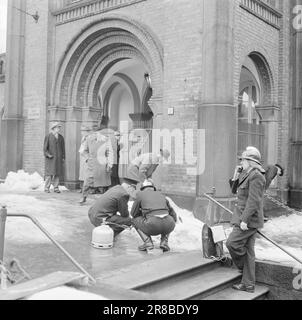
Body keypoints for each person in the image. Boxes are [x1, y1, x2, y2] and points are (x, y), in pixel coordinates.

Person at [226, 146, 266, 293]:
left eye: (243, 159)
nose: (241, 162)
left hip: (248, 220)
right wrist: (235, 174)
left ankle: (242, 268)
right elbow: (233, 190)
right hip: (244, 217)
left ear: (250, 161)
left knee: (232, 243)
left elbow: (254, 201)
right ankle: (248, 284)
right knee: (249, 251)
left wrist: (244, 220)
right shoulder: (245, 173)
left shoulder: (257, 176)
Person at [131, 179, 177, 252]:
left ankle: (148, 242)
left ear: (142, 188)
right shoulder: (161, 194)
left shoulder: (140, 194)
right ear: (153, 188)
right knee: (168, 219)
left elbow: (133, 214)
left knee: (133, 220)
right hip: (169, 224)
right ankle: (164, 242)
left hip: (153, 224)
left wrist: (143, 213)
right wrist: (173, 221)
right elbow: (173, 213)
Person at [79, 122, 113, 204]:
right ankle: (83, 197)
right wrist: (88, 158)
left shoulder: (106, 139)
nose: (95, 134)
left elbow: (110, 152)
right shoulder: (88, 139)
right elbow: (83, 150)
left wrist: (109, 164)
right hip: (92, 164)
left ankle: (106, 200)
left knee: (104, 183)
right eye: (94, 132)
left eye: (97, 132)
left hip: (102, 164)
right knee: (87, 181)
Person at [43, 122, 65, 193]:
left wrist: (63, 156)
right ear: (53, 128)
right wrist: (48, 155)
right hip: (51, 159)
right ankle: (47, 188)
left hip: (58, 159)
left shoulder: (61, 137)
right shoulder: (48, 136)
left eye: (59, 127)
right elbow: (45, 149)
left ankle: (56, 187)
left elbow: (63, 148)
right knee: (49, 174)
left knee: (57, 173)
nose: (58, 129)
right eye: (57, 127)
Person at [78, 125, 92, 193]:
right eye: (81, 131)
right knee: (82, 173)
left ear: (87, 132)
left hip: (87, 157)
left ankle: (87, 189)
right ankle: (82, 187)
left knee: (87, 173)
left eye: (83, 131)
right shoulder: (83, 138)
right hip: (82, 157)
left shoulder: (90, 138)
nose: (82, 132)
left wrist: (88, 157)